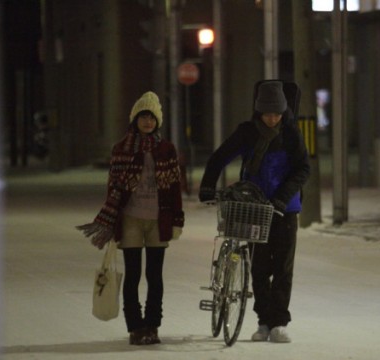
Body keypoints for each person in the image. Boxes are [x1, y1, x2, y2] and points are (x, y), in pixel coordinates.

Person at [199, 81, 310, 343]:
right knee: (259, 267)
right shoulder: (247, 132)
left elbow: (303, 169)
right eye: (267, 114)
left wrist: (282, 198)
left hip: (285, 209)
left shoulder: (291, 133)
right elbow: (219, 157)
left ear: (283, 112)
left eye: (277, 114)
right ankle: (263, 321)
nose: (272, 119)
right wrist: (206, 186)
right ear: (258, 112)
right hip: (254, 207)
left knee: (283, 267)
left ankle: (279, 322)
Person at [78, 91, 184, 345]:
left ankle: (153, 326)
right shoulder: (122, 149)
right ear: (134, 120)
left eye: (151, 117)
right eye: (142, 116)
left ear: (158, 121)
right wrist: (112, 220)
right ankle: (135, 327)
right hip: (131, 220)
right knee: (134, 274)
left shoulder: (166, 149)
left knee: (155, 276)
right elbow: (113, 187)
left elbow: (174, 188)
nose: (147, 122)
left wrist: (177, 219)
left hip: (159, 219)